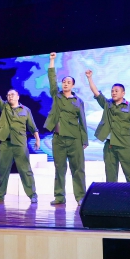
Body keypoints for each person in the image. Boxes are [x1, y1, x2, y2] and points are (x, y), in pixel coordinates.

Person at [0, 74, 40, 204]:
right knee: (3, 171)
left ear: (18, 97)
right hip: (6, 144)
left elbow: (32, 126)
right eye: (8, 95)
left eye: (12, 95)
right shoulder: (5, 107)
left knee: (25, 170)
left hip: (20, 144)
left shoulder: (25, 110)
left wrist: (37, 139)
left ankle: (32, 195)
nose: (10, 97)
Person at [44, 52, 88, 206]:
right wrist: (52, 60)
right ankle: (59, 197)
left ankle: (81, 197)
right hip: (59, 139)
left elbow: (82, 120)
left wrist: (84, 140)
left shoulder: (78, 101)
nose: (65, 84)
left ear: (73, 85)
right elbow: (52, 79)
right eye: (64, 82)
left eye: (68, 82)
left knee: (78, 169)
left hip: (75, 139)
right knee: (59, 169)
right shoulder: (57, 96)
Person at [85, 70, 130, 183]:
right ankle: (112, 193)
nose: (113, 93)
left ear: (123, 93)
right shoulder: (108, 104)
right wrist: (89, 78)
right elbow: (96, 93)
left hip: (124, 144)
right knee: (110, 174)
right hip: (109, 145)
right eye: (112, 91)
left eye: (116, 91)